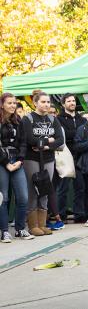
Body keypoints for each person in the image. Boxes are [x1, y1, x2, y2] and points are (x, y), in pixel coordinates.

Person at [21, 89, 64, 236]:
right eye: (43, 102)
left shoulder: (53, 119)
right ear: (35, 103)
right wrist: (49, 140)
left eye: (48, 102)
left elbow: (60, 139)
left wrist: (45, 145)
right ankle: (33, 225)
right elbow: (29, 140)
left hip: (48, 158)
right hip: (31, 159)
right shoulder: (28, 119)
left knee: (46, 190)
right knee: (33, 190)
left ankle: (43, 224)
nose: (46, 105)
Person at [0, 93, 35, 242]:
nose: (13, 106)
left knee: (23, 197)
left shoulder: (18, 120)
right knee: (4, 198)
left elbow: (23, 142)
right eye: (9, 103)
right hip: (2, 162)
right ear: (2, 104)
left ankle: (20, 229)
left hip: (17, 161)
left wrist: (20, 161)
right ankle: (4, 231)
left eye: (14, 103)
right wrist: (6, 162)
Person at [55, 93, 87, 224]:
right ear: (63, 104)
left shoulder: (82, 119)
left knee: (80, 187)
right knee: (63, 189)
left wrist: (73, 135)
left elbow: (84, 135)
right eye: (69, 101)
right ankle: (60, 215)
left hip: (80, 157)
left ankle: (79, 214)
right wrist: (76, 135)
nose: (72, 103)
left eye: (73, 101)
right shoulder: (58, 119)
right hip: (65, 156)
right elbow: (62, 136)